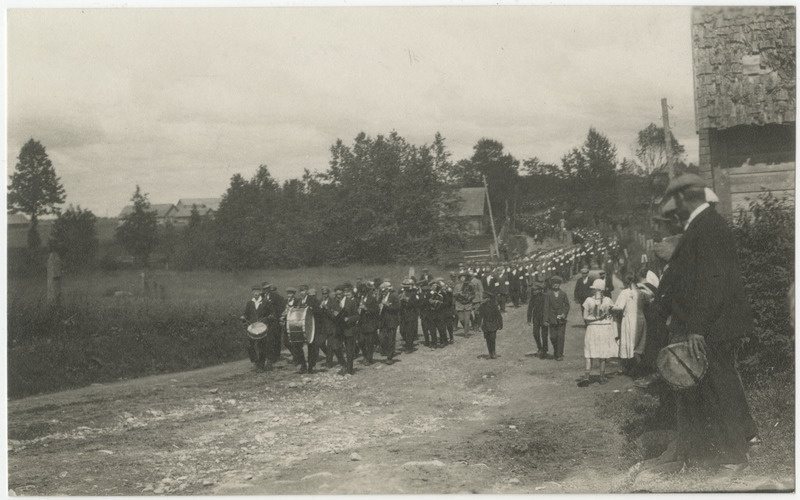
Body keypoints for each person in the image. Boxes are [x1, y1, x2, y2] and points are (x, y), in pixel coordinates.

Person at [655, 173, 758, 471]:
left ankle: (733, 455)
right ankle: (743, 439)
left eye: (675, 201)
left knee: (718, 386)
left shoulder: (708, 227)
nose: (674, 209)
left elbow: (712, 283)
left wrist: (696, 327)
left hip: (713, 324)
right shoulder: (704, 225)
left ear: (686, 197)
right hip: (714, 321)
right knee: (720, 381)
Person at [579, 279, 618, 386]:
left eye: (593, 289)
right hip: (605, 328)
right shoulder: (608, 300)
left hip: (592, 328)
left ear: (597, 289)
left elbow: (585, 318)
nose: (592, 290)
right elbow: (614, 311)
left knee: (589, 351)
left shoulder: (588, 300)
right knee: (603, 352)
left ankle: (587, 376)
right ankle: (602, 376)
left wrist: (596, 319)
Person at [613, 273, 647, 376]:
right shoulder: (641, 292)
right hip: (641, 319)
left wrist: (610, 308)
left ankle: (636, 369)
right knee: (639, 344)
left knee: (629, 344)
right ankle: (637, 368)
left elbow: (619, 307)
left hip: (629, 320)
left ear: (626, 282)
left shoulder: (625, 293)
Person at [242, 285, 269, 372]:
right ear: (252, 293)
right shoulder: (250, 303)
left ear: (260, 292)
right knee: (250, 346)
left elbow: (272, 314)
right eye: (254, 292)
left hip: (262, 328)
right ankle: (255, 362)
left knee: (262, 346)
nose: (256, 294)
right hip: (252, 328)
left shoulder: (265, 302)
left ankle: (261, 365)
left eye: (257, 292)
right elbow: (246, 314)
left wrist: (266, 320)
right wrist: (243, 318)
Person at [543, 275, 570, 361]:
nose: (555, 285)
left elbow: (567, 305)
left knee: (561, 337)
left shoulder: (563, 294)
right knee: (553, 337)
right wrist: (546, 320)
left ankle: (559, 354)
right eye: (554, 283)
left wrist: (564, 314)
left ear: (560, 284)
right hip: (552, 319)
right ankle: (556, 350)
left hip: (561, 320)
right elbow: (546, 307)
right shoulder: (548, 294)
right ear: (551, 284)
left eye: (557, 284)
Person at [336, 284, 360, 375]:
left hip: (349, 329)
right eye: (337, 294)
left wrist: (349, 319)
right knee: (336, 347)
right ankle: (344, 364)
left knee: (349, 350)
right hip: (339, 330)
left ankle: (349, 369)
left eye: (340, 294)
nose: (338, 296)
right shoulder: (335, 303)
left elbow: (357, 316)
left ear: (344, 293)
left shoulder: (351, 302)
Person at [358, 281, 380, 365]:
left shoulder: (372, 298)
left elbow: (376, 310)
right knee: (360, 341)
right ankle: (365, 355)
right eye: (361, 291)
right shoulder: (361, 298)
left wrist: (366, 309)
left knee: (369, 343)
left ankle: (369, 359)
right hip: (362, 323)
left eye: (363, 291)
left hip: (370, 324)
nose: (362, 293)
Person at [378, 281, 400, 363]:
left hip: (392, 321)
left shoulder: (394, 296)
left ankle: (390, 357)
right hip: (383, 321)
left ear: (388, 289)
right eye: (382, 291)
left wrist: (387, 305)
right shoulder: (381, 296)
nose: (382, 292)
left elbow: (397, 307)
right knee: (382, 338)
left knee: (391, 339)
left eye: (384, 290)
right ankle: (386, 351)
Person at [478, 290, 503, 359]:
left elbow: (498, 315)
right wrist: (479, 325)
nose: (483, 300)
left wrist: (500, 324)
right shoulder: (482, 306)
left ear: (488, 298)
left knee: (492, 338)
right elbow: (480, 317)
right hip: (485, 325)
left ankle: (493, 352)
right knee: (487, 339)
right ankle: (490, 353)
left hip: (493, 324)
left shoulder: (494, 305)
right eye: (483, 298)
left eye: (484, 298)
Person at [526, 281, 548, 358]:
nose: (534, 291)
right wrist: (529, 319)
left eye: (536, 290)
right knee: (535, 333)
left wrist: (548, 318)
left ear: (540, 290)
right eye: (533, 290)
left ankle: (545, 350)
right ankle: (539, 348)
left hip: (544, 318)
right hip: (536, 318)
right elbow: (530, 309)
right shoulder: (532, 298)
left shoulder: (545, 297)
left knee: (544, 335)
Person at [398, 278, 419, 351]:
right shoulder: (402, 293)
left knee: (409, 331)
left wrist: (406, 301)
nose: (405, 288)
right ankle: (407, 342)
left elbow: (415, 304)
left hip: (411, 314)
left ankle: (409, 347)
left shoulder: (414, 293)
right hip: (403, 314)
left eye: (407, 286)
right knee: (402, 331)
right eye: (404, 286)